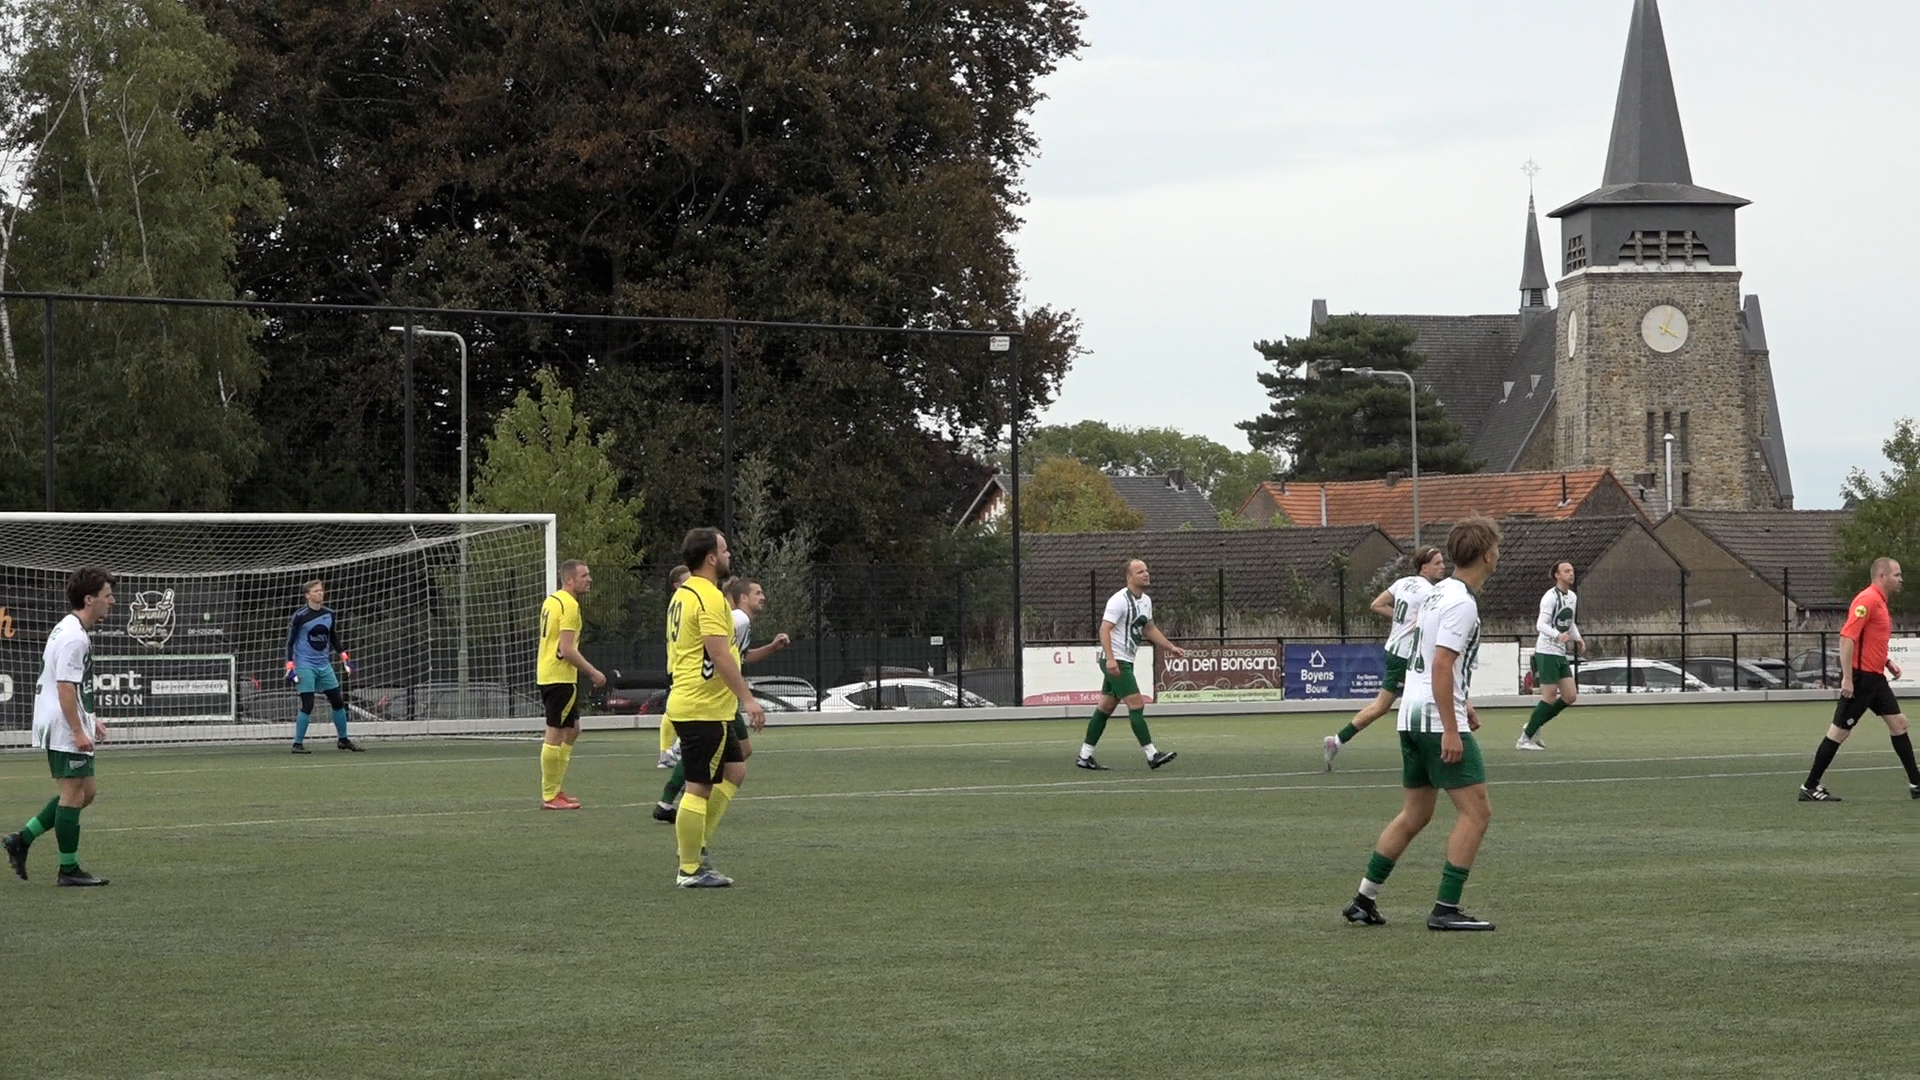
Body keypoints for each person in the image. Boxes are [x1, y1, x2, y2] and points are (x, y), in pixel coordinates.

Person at [1342, 517, 1501, 932]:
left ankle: (1363, 899)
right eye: (1497, 549)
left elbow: (1428, 652)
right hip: (1433, 719)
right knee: (1477, 812)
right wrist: (1451, 726)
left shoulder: (1438, 592)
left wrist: (1461, 705)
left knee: (1415, 814)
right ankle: (1445, 908)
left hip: (1410, 715)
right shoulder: (1461, 601)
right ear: (1487, 554)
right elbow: (1443, 663)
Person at [3, 566, 117, 887]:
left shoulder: (70, 628)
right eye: (108, 596)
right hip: (62, 725)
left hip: (67, 720)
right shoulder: (73, 638)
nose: (112, 601)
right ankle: (68, 869)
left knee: (86, 792)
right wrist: (79, 730)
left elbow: (68, 686)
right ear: (89, 598)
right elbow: (65, 687)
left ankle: (21, 839)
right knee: (72, 793)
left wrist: (89, 719)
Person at [666, 529, 765, 887]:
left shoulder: (684, 594)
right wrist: (748, 698)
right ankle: (690, 868)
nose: (728, 554)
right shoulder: (707, 596)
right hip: (701, 706)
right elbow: (719, 652)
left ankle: (696, 844)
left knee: (735, 770)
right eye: (724, 549)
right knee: (698, 787)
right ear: (711, 557)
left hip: (708, 706)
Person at [653, 575, 789, 824]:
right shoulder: (738, 618)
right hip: (714, 699)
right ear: (742, 597)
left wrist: (771, 648)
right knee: (712, 768)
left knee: (738, 760)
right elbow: (718, 655)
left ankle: (683, 801)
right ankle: (679, 802)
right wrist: (746, 697)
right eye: (757, 592)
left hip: (714, 696)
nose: (763, 597)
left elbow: (740, 657)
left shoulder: (734, 618)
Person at [1798, 558, 1920, 802]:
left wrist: (1886, 661)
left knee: (1899, 724)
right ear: (1882, 576)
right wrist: (1847, 679)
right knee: (1839, 732)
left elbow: (1870, 640)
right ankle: (1809, 787)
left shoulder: (1881, 603)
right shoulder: (1867, 600)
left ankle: (1916, 784)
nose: (1901, 579)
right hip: (1861, 679)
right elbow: (1847, 638)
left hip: (1876, 679)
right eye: (1896, 574)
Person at [1325, 547, 1448, 771]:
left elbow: (1376, 604)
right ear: (1424, 567)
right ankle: (1435, 749)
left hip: (1394, 649)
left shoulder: (1403, 582)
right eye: (1438, 563)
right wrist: (1412, 622)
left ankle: (1337, 740)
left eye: (1442, 562)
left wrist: (1401, 620)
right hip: (1406, 655)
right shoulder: (1429, 592)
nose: (1443, 567)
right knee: (1433, 695)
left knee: (1383, 706)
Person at [1076, 559, 1186, 771]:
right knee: (1137, 705)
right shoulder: (1118, 600)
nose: (1146, 574)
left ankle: (1085, 755)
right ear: (1129, 577)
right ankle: (1152, 754)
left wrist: (1170, 647)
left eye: (1146, 570)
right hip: (1117, 661)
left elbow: (1149, 628)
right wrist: (1110, 659)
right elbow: (1104, 629)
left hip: (1125, 660)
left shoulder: (1145, 601)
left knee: (1105, 708)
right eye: (1140, 571)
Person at [537, 560, 607, 810]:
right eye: (584, 575)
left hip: (551, 674)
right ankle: (549, 795)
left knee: (573, 730)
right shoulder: (569, 605)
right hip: (559, 677)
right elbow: (566, 650)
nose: (589, 579)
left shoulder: (551, 600)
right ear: (569, 580)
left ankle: (556, 789)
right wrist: (593, 671)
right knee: (554, 734)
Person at [285, 580, 362, 753]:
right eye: (316, 591)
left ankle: (343, 740)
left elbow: (333, 637)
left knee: (338, 701)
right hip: (305, 664)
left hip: (323, 664)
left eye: (322, 590)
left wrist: (345, 658)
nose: (321, 593)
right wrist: (290, 666)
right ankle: (297, 744)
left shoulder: (329, 613)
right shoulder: (300, 616)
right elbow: (290, 643)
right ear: (307, 595)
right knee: (308, 703)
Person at [1517, 560, 1583, 751]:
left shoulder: (1572, 596)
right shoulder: (1550, 597)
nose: (1571, 573)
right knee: (1549, 697)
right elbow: (1541, 625)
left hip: (1560, 653)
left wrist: (1577, 638)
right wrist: (1557, 635)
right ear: (1557, 575)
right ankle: (1525, 738)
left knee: (1570, 696)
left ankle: (1533, 726)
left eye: (1572, 570)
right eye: (1567, 571)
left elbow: (1569, 622)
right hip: (1546, 652)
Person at [658, 566, 690, 770]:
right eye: (687, 580)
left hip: (677, 662)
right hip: (680, 663)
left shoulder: (677, 602)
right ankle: (667, 752)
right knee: (674, 710)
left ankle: (674, 749)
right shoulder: (684, 599)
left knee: (678, 708)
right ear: (676, 585)